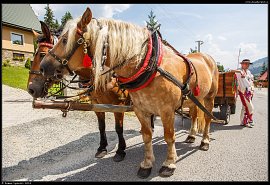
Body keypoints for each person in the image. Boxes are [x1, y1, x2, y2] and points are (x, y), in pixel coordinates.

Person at [235, 59, 255, 127]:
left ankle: (243, 122)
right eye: (245, 64)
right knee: (250, 107)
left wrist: (252, 89)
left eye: (248, 64)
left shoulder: (249, 72)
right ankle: (250, 119)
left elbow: (251, 81)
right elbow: (232, 71)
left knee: (244, 107)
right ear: (242, 64)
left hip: (249, 91)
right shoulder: (239, 71)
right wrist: (240, 72)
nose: (247, 65)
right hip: (243, 91)